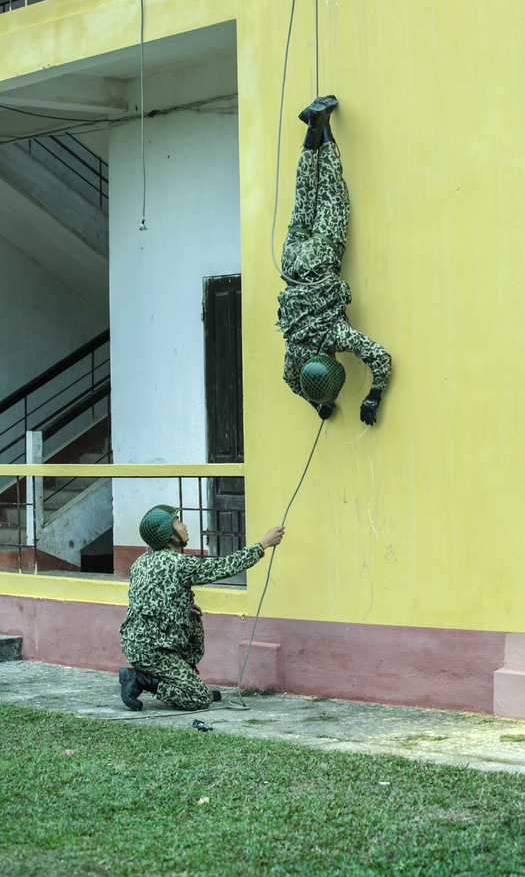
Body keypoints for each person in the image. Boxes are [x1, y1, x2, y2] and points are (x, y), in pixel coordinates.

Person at [277, 95, 392, 425]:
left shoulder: (337, 336)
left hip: (319, 258)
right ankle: (314, 130)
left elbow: (381, 359)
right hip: (291, 263)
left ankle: (320, 125)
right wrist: (318, 405)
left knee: (332, 194)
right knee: (304, 197)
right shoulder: (294, 354)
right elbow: (292, 383)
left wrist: (374, 396)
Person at [119, 504, 284, 712]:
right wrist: (264, 544)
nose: (184, 525)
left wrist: (180, 604)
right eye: (177, 522)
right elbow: (224, 567)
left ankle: (186, 680)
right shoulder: (179, 564)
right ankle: (141, 680)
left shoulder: (141, 561)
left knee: (193, 618)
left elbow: (147, 597)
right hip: (154, 650)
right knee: (199, 698)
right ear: (166, 533)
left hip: (137, 644)